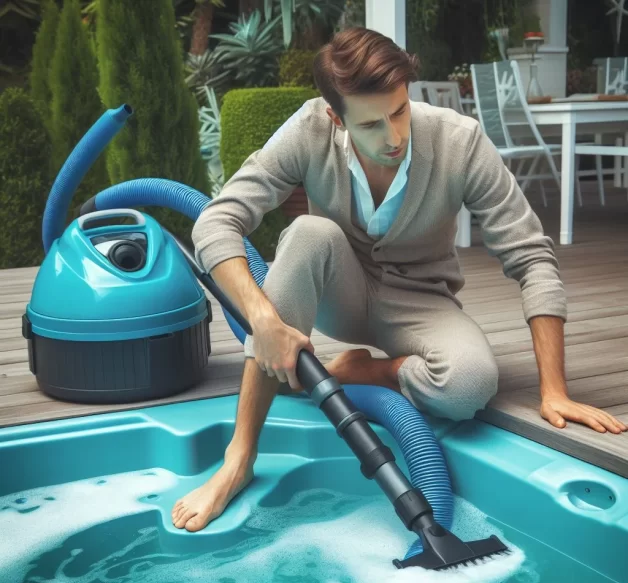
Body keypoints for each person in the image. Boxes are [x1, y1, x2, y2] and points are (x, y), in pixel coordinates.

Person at [171, 27, 627, 533]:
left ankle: (366, 371)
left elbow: (531, 255)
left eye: (400, 111)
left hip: (421, 300)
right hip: (339, 288)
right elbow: (215, 221)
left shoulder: (460, 140)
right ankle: (240, 456)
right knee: (305, 233)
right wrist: (262, 320)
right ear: (334, 117)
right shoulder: (308, 129)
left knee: (471, 384)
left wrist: (554, 389)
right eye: (370, 124)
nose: (393, 137)